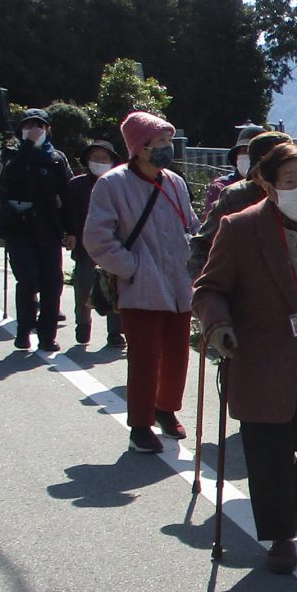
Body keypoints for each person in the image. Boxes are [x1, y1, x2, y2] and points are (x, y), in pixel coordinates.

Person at [194, 142, 297, 573]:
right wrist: (218, 325)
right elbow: (209, 289)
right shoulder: (240, 228)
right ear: (268, 185)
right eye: (290, 180)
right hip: (261, 357)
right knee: (269, 455)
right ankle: (281, 536)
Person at [83, 110, 198, 453]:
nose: (167, 147)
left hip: (179, 283)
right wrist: (132, 268)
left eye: (168, 140)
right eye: (159, 141)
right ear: (140, 147)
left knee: (177, 353)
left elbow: (191, 225)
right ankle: (140, 425)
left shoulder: (175, 182)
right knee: (145, 357)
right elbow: (97, 239)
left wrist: (197, 259)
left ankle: (166, 408)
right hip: (140, 287)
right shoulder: (112, 184)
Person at [0, 108, 73, 352]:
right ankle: (24, 330)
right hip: (18, 229)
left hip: (48, 229)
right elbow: (11, 178)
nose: (34, 130)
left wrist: (71, 230)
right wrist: (28, 146)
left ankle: (47, 336)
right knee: (28, 279)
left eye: (39, 126)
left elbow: (67, 194)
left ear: (48, 129)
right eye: (28, 126)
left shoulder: (57, 158)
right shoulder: (13, 154)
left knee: (52, 283)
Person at [189, 127, 291, 277]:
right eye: (270, 169)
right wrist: (207, 285)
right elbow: (202, 245)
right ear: (256, 175)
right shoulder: (235, 197)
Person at [62, 134, 124, 350]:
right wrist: (70, 233)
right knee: (83, 285)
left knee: (115, 288)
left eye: (104, 157)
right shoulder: (76, 185)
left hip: (114, 245)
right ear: (87, 160)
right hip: (84, 245)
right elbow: (68, 213)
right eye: (95, 157)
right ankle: (82, 324)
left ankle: (115, 333)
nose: (99, 161)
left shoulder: (120, 184)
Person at [201, 122, 266, 215]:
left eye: (253, 152)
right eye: (244, 151)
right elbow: (211, 219)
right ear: (236, 156)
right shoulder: (221, 186)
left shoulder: (276, 186)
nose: (249, 155)